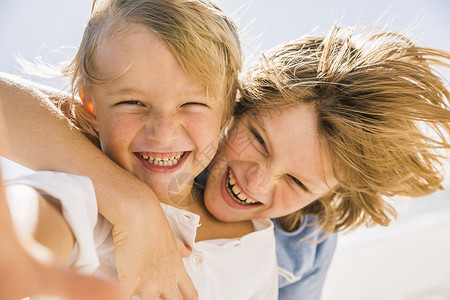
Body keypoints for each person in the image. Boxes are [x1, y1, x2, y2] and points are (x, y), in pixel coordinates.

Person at [2, 23, 450, 299]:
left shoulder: (303, 240)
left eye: (296, 181)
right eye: (257, 140)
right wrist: (133, 205)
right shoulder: (154, 150)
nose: (256, 183)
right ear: (234, 105)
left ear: (328, 192)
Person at [2, 0, 281, 299]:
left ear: (226, 112)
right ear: (91, 108)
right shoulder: (83, 198)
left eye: (193, 104)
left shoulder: (257, 240)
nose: (162, 133)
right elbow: (37, 211)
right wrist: (24, 256)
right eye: (132, 103)